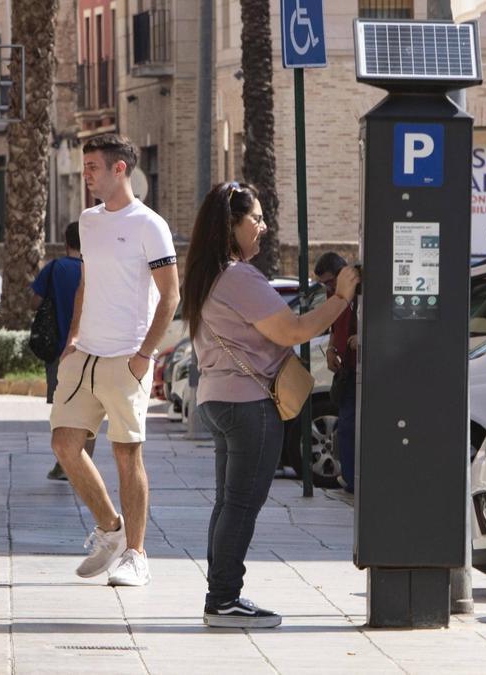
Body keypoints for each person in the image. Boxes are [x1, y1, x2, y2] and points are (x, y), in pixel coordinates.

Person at [183, 182, 357, 628]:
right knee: (241, 505)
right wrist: (341, 298)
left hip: (219, 400)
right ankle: (224, 599)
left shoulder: (207, 275)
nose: (263, 226)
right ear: (231, 225)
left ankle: (220, 594)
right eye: (256, 219)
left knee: (228, 503)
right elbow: (293, 331)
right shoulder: (238, 277)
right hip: (248, 405)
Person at [49, 133, 180, 587]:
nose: (85, 174)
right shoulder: (88, 221)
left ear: (119, 168)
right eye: (85, 166)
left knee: (126, 454)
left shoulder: (150, 225)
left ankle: (136, 555)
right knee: (64, 444)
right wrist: (72, 337)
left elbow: (171, 295)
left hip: (127, 357)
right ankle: (111, 528)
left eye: (92, 167)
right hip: (85, 355)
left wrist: (145, 355)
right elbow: (86, 283)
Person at [31, 222, 95, 481]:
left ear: (66, 242)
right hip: (92, 349)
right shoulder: (95, 268)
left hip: (60, 350)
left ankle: (64, 463)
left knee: (62, 410)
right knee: (90, 410)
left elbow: (34, 301)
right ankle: (85, 463)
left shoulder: (54, 268)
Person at [316, 252, 356, 493]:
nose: (329, 287)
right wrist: (331, 350)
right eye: (325, 284)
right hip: (345, 369)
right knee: (346, 426)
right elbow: (333, 327)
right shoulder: (333, 294)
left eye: (331, 281)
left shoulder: (359, 290)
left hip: (361, 368)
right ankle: (350, 477)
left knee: (351, 425)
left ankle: (353, 480)